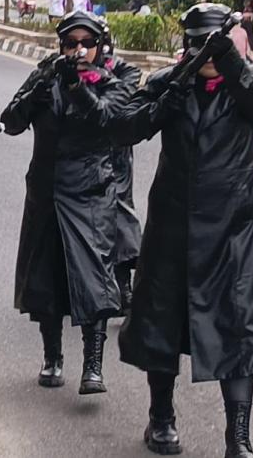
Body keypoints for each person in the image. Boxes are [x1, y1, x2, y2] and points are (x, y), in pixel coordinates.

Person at [113, 3, 253, 457]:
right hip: (173, 223)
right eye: (199, 43)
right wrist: (168, 97)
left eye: (215, 43)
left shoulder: (247, 82)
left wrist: (229, 58)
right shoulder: (170, 82)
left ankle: (238, 436)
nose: (207, 53)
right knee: (162, 323)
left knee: (239, 326)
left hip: (234, 230)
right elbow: (124, 128)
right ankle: (161, 418)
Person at [1, 11, 133, 396]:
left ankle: (93, 366)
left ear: (99, 46)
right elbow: (10, 121)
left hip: (91, 191)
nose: (79, 50)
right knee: (46, 279)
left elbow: (107, 117)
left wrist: (77, 86)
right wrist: (38, 90)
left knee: (94, 280)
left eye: (87, 43)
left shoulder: (113, 81)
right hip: (45, 191)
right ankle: (52, 357)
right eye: (71, 43)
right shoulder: (46, 75)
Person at [100, 20, 144, 314]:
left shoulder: (122, 71)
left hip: (115, 153)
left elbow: (124, 103)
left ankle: (124, 287)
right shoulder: (64, 71)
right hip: (78, 156)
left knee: (118, 214)